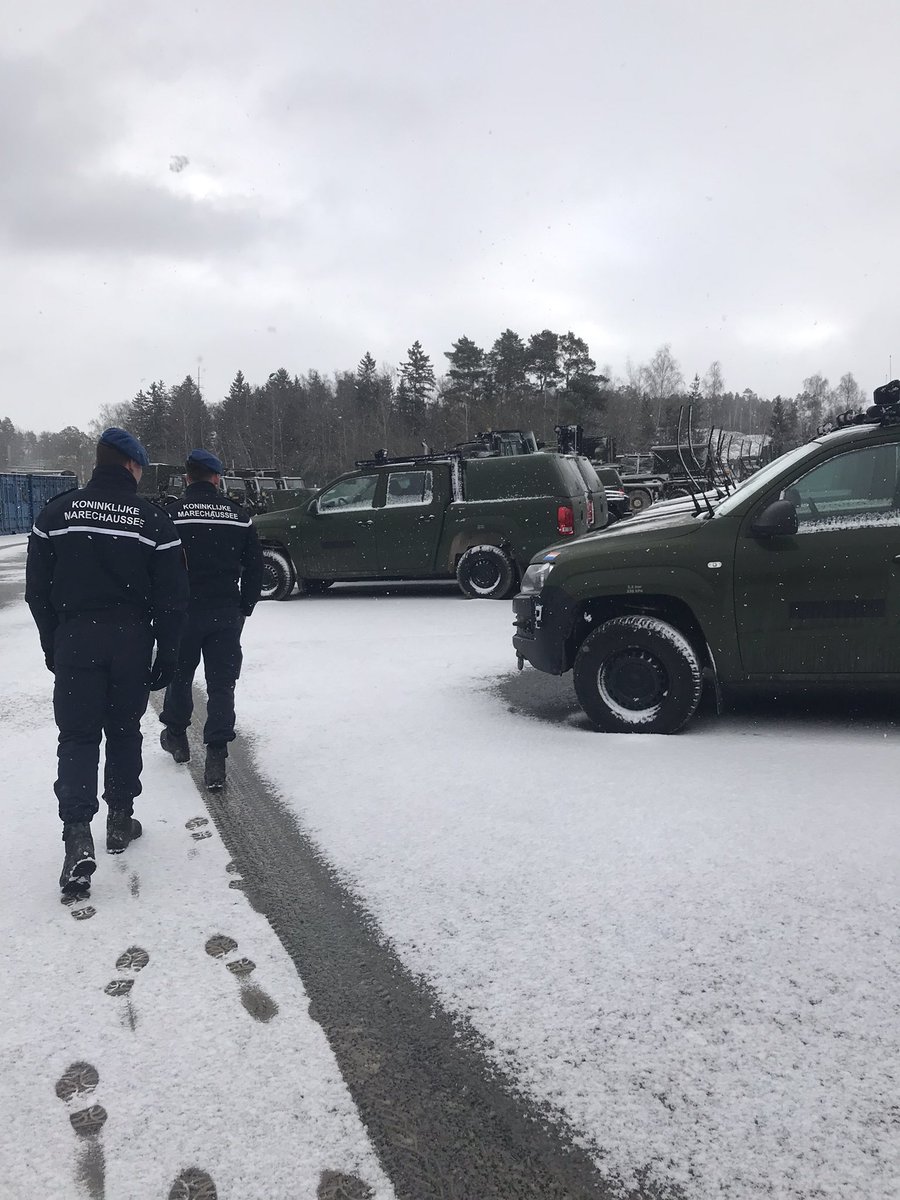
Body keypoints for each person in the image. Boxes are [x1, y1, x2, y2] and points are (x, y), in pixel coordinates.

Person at [25, 428, 188, 897]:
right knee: (122, 730)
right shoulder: (152, 520)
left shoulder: (57, 512)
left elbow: (38, 590)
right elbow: (174, 599)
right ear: (133, 466)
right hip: (130, 641)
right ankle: (119, 819)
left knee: (76, 737)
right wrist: (169, 653)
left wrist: (53, 642)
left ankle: (77, 836)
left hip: (76, 638)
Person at [159, 449, 263, 790]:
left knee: (179, 676)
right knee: (221, 685)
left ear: (187, 477)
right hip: (224, 613)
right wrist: (243, 607)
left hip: (183, 612)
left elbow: (156, 567)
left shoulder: (170, 515)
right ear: (217, 478)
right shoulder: (239, 516)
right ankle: (216, 755)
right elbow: (255, 570)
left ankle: (176, 734)